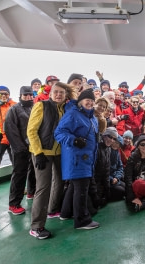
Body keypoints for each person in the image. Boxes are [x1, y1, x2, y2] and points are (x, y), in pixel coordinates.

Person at [27, 82, 69, 239]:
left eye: (62, 93)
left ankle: (52, 210)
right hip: (43, 152)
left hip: (58, 152)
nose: (58, 95)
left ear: (65, 96)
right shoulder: (41, 106)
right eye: (56, 92)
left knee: (59, 181)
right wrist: (38, 153)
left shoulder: (64, 109)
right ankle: (36, 226)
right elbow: (31, 130)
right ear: (50, 94)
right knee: (43, 188)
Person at [54, 88, 100, 230]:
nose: (90, 102)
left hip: (87, 158)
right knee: (81, 189)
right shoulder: (73, 114)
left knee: (74, 186)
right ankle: (82, 221)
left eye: (92, 101)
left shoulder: (92, 117)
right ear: (80, 101)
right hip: (77, 158)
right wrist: (74, 140)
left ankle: (65, 213)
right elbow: (59, 132)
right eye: (87, 100)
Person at [4, 86, 35, 215]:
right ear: (20, 96)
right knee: (19, 175)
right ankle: (14, 203)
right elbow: (10, 130)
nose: (28, 97)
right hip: (20, 148)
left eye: (30, 95)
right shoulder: (14, 110)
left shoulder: (35, 108)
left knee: (34, 171)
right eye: (25, 95)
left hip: (34, 147)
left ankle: (31, 192)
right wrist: (20, 147)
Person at [109, 135, 126, 201]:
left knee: (127, 188)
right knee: (122, 191)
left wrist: (117, 177)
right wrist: (111, 179)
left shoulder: (117, 153)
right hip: (108, 179)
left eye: (119, 144)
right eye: (116, 142)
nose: (116, 145)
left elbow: (120, 167)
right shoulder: (107, 151)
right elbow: (103, 170)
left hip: (115, 177)